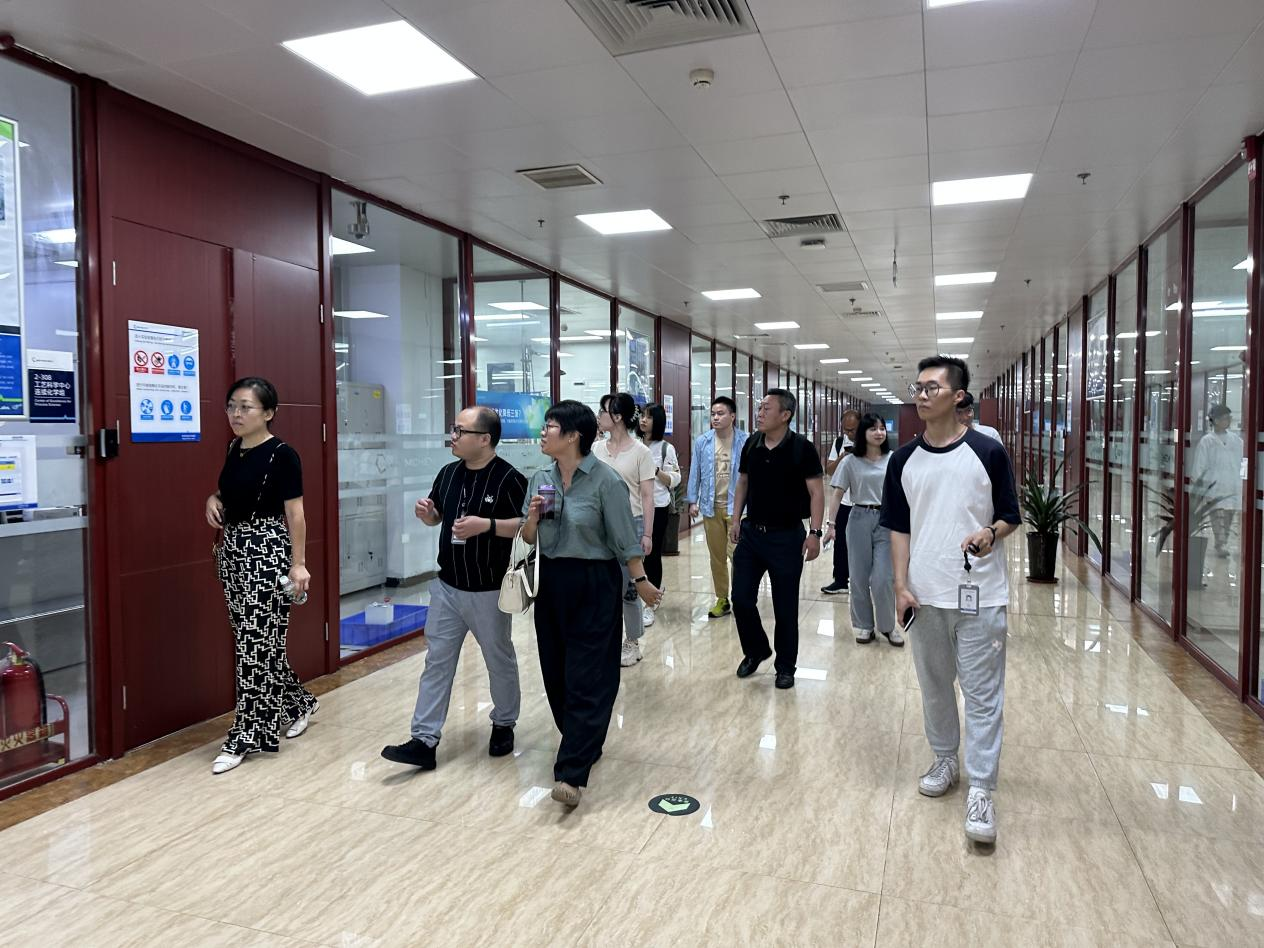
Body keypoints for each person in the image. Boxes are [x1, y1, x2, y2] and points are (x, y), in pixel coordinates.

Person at [882, 356, 1021, 845]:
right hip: (924, 595)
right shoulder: (903, 460)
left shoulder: (987, 451)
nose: (921, 395)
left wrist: (990, 533)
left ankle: (981, 788)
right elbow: (898, 528)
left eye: (932, 388)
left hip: (980, 594)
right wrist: (901, 586)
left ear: (958, 396)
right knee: (935, 687)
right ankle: (945, 760)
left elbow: (1010, 515)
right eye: (917, 388)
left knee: (982, 695)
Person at [522, 400, 662, 808]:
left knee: (588, 673)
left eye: (551, 426)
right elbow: (530, 537)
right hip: (552, 581)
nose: (543, 432)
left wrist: (641, 580)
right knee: (555, 671)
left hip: (595, 582)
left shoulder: (605, 481)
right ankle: (583, 740)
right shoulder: (541, 479)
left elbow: (623, 539)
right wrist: (532, 518)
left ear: (573, 436)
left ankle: (572, 772)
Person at [380, 406, 528, 771]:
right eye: (454, 429)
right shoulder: (448, 473)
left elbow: (527, 526)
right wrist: (428, 514)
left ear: (485, 439)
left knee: (498, 658)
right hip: (447, 586)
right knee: (437, 662)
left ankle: (504, 722)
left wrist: (486, 525)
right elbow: (439, 517)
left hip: (488, 588)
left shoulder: (509, 478)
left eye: (461, 431)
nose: (454, 436)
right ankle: (423, 740)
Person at [204, 377, 318, 775]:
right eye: (232, 406)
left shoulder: (283, 455)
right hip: (234, 551)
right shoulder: (234, 448)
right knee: (255, 642)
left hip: (266, 552)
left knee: (254, 647)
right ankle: (299, 703)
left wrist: (298, 563)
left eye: (246, 407)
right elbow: (229, 492)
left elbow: (295, 513)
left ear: (268, 413)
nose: (236, 414)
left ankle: (246, 734)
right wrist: (213, 498)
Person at [729, 389, 825, 689]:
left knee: (785, 607)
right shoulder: (752, 443)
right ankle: (756, 649)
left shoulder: (802, 448)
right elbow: (743, 482)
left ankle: (785, 666)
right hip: (751, 535)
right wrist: (735, 518)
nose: (759, 413)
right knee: (741, 598)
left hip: (787, 537)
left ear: (785, 415)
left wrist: (815, 533)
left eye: (766, 409)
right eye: (759, 408)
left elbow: (816, 492)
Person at [824, 413, 900, 647]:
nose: (879, 433)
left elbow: (903, 493)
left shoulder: (893, 459)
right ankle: (865, 625)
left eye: (881, 428)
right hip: (858, 518)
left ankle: (888, 626)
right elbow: (837, 494)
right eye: (873, 429)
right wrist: (831, 525)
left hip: (886, 520)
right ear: (863, 433)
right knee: (858, 577)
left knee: (883, 578)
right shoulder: (850, 461)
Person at [593, 392, 656, 666]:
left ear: (618, 417)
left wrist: (647, 534)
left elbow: (647, 496)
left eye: (603, 411)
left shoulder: (641, 452)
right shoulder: (596, 449)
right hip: (599, 526)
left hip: (632, 524)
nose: (599, 416)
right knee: (603, 587)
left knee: (630, 587)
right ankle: (607, 639)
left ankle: (632, 641)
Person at [686, 396, 749, 618]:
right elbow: (695, 471)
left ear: (732, 416)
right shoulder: (702, 442)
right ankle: (722, 599)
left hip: (738, 509)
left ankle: (741, 597)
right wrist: (692, 500)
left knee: (737, 555)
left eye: (720, 413)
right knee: (717, 557)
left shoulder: (746, 441)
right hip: (711, 507)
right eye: (713, 414)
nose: (715, 417)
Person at [638, 401, 681, 623]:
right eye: (642, 416)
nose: (643, 420)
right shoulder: (633, 445)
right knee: (635, 555)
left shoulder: (665, 448)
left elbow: (674, 479)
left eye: (649, 416)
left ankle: (650, 602)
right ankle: (636, 596)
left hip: (658, 507)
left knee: (652, 554)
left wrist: (654, 470)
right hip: (634, 507)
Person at [1192, 403, 1243, 557]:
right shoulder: (1207, 441)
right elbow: (1199, 465)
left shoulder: (1236, 440)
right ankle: (1220, 544)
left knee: (1228, 516)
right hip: (1214, 486)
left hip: (1232, 484)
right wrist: (1200, 486)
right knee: (1217, 516)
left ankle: (1222, 541)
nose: (1227, 421)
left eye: (1229, 418)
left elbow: (1243, 460)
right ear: (1215, 420)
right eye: (1224, 418)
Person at [822, 409, 860, 595]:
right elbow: (829, 470)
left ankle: (865, 579)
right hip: (844, 502)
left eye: (853, 430)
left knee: (864, 543)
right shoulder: (839, 443)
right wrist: (842, 457)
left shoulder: (871, 441)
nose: (849, 434)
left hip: (864, 503)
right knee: (840, 543)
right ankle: (840, 580)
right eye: (846, 430)